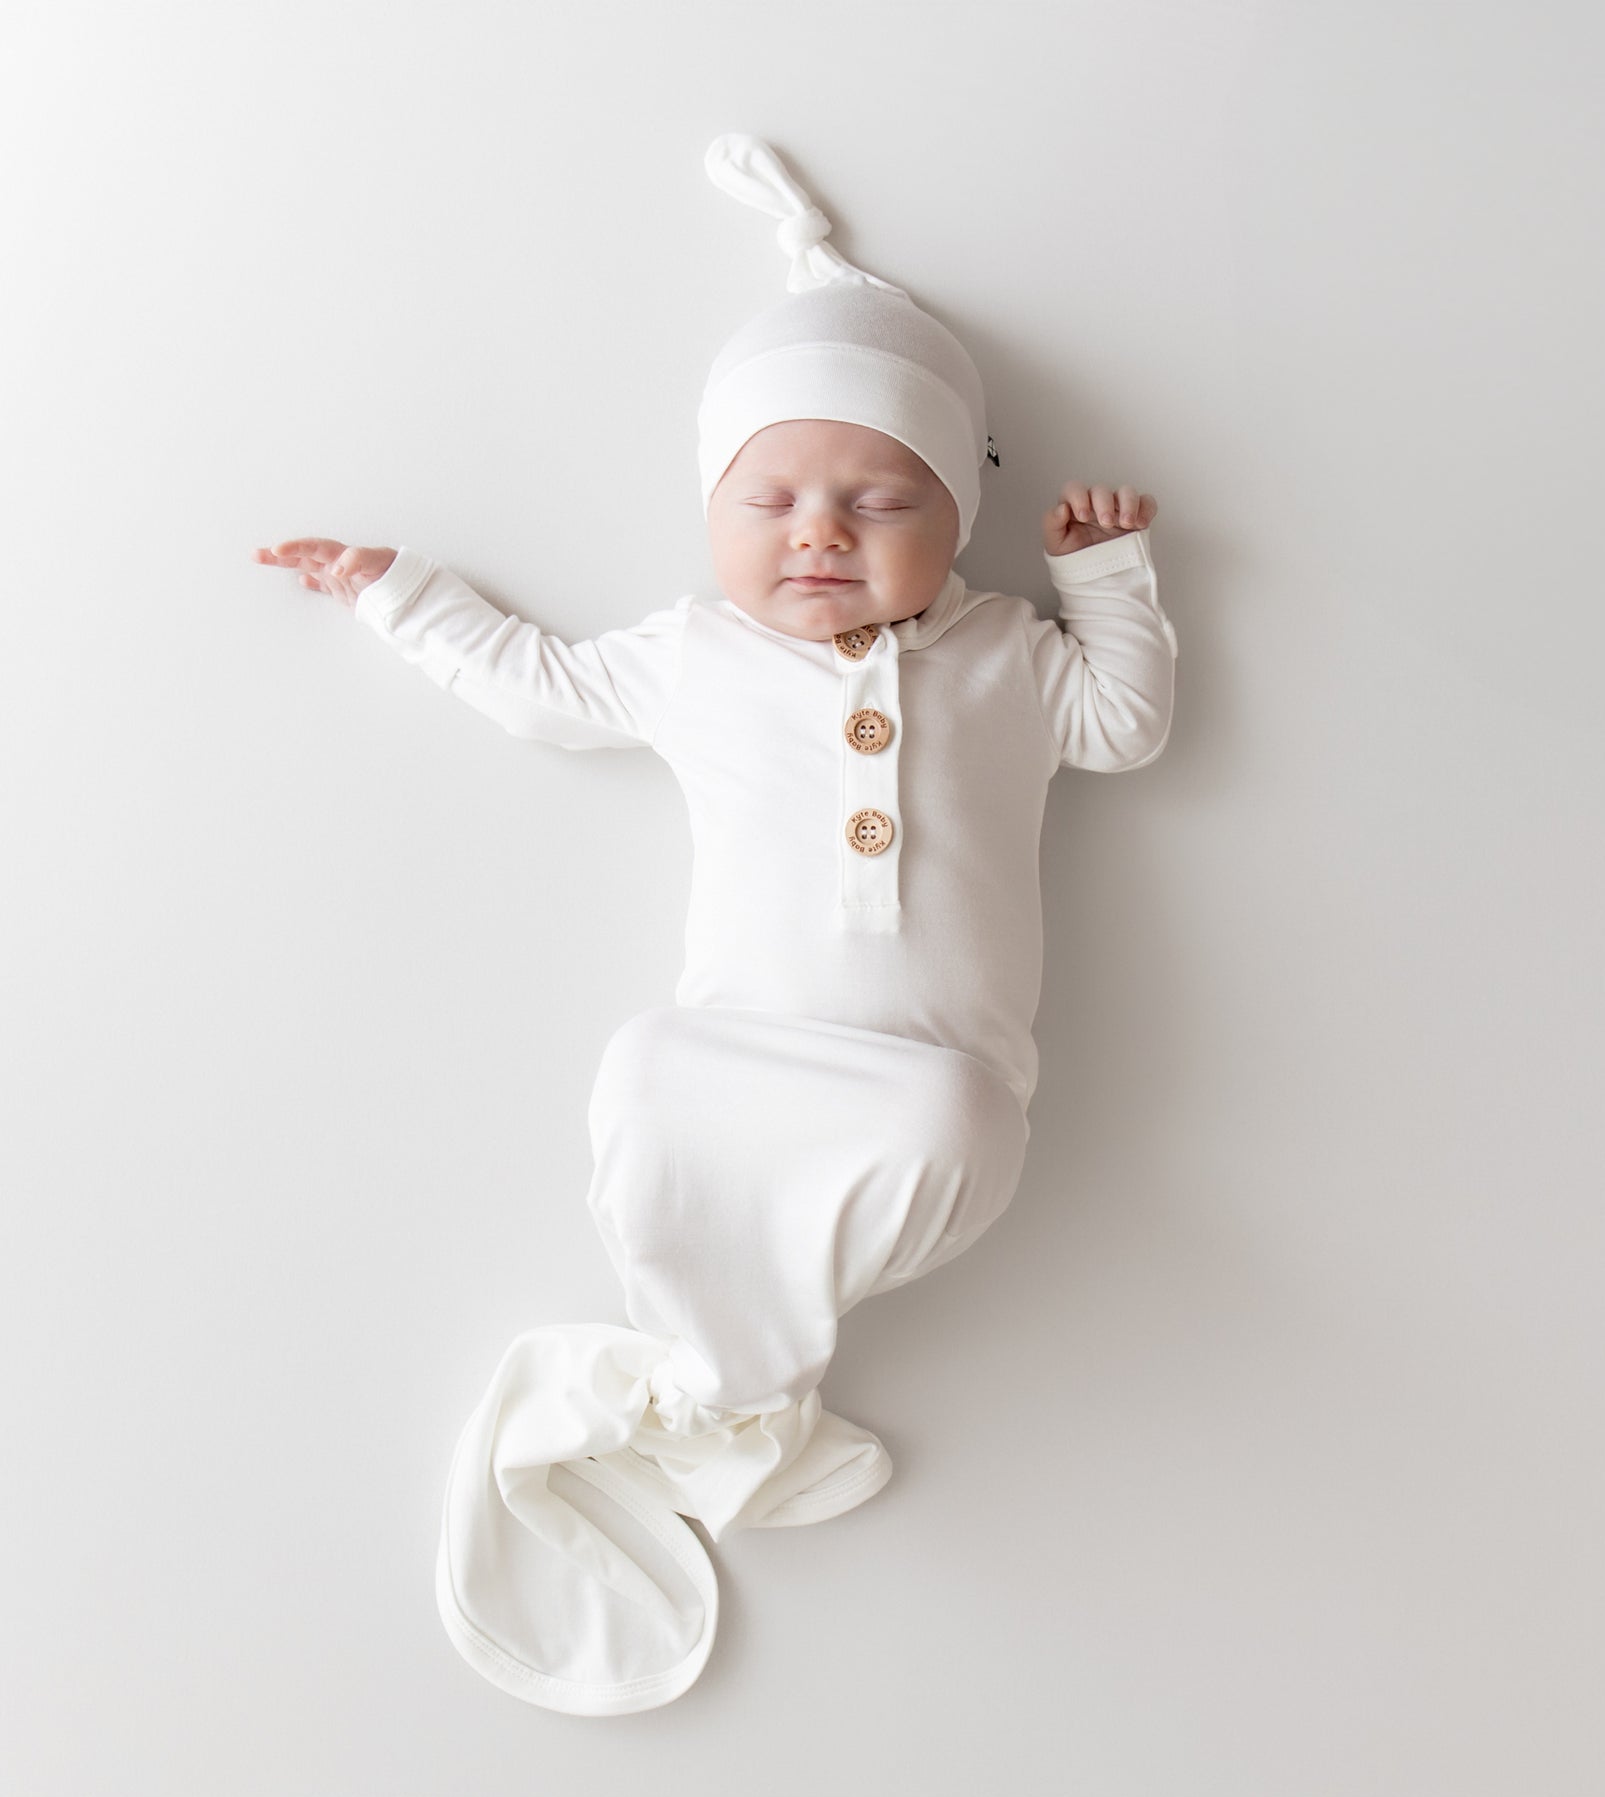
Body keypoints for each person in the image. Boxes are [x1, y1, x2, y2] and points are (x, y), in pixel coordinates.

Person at [250, 133, 1177, 1716]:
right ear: (715, 512)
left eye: (876, 499)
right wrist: (400, 592)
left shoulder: (1014, 653)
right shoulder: (694, 655)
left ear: (956, 516)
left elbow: (1127, 726)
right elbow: (540, 691)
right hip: (739, 1053)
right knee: (644, 1066)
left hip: (932, 1083)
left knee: (958, 1110)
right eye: (773, 500)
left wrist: (1109, 579)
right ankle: (720, 1379)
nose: (818, 529)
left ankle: (731, 1392)